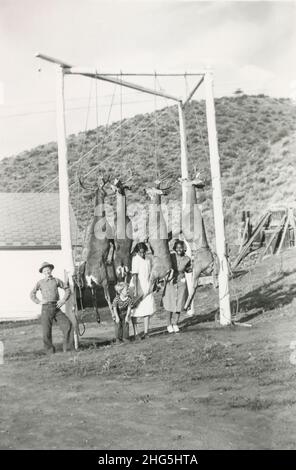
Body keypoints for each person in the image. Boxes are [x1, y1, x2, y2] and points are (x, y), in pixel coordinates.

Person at [30, 262, 73, 354]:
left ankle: (67, 350)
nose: (47, 271)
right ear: (42, 272)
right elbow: (32, 294)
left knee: (67, 325)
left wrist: (63, 300)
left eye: (48, 269)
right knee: (46, 332)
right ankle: (50, 352)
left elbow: (67, 289)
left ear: (51, 270)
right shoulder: (40, 283)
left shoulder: (56, 280)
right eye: (44, 270)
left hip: (56, 308)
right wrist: (39, 302)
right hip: (46, 309)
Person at [162, 240, 192, 333]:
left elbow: (188, 270)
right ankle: (168, 324)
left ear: (184, 248)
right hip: (171, 281)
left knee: (179, 303)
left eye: (181, 247)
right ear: (175, 248)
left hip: (181, 281)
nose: (179, 249)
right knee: (170, 303)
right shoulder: (171, 256)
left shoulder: (187, 259)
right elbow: (165, 266)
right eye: (177, 247)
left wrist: (192, 268)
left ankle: (175, 323)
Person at [130, 242, 156, 340]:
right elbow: (135, 276)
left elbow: (150, 274)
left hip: (147, 286)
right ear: (137, 252)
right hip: (137, 286)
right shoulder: (135, 260)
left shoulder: (148, 260)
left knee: (147, 309)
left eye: (143, 252)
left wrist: (151, 285)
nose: (142, 254)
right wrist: (136, 290)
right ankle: (136, 332)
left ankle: (146, 332)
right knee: (135, 310)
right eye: (140, 252)